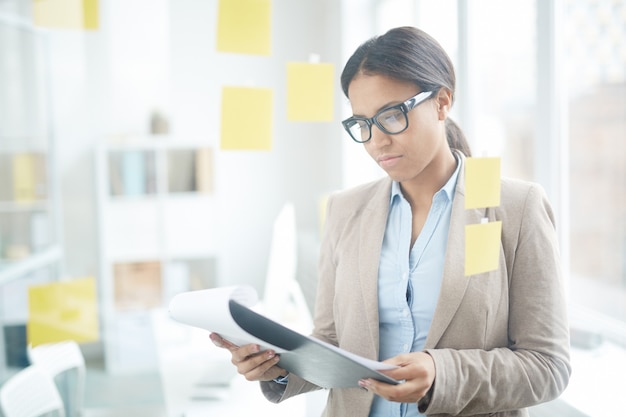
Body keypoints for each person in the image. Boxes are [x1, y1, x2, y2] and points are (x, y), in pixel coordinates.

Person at [210, 26, 571, 417]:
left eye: (392, 115)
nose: (377, 141)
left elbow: (547, 365)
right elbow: (332, 342)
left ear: (442, 102)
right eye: (362, 124)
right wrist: (276, 367)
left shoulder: (517, 207)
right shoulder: (346, 210)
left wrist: (442, 371)